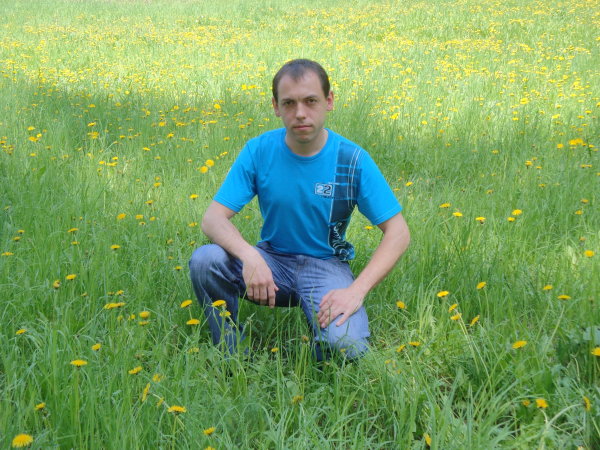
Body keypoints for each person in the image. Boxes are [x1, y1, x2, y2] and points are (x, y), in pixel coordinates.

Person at [189, 59, 410, 361]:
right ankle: (231, 353)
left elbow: (398, 232)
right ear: (276, 107)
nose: (300, 113)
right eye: (289, 103)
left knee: (346, 348)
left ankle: (319, 349)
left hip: (326, 267)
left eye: (311, 101)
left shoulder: (352, 160)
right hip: (272, 262)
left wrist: (356, 291)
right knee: (206, 260)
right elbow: (213, 218)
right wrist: (250, 256)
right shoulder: (259, 151)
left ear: (329, 101)